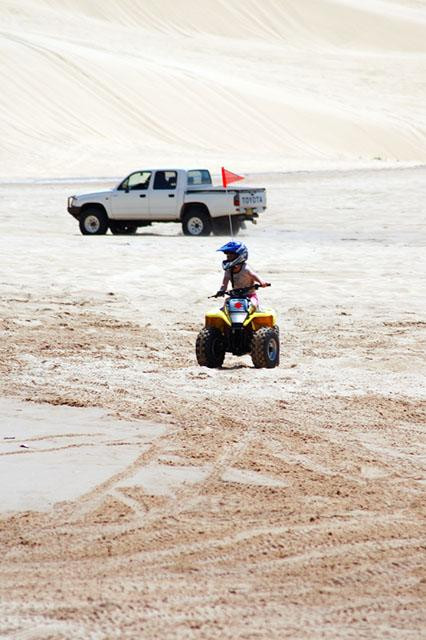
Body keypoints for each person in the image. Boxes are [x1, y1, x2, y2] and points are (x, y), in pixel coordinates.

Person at [215, 240, 268, 308]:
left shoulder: (246, 268)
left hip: (250, 296)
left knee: (253, 305)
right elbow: (224, 284)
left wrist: (261, 282)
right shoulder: (228, 271)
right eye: (227, 256)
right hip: (235, 296)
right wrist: (221, 290)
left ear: (240, 255)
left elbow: (254, 275)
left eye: (231, 255)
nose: (228, 257)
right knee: (226, 305)